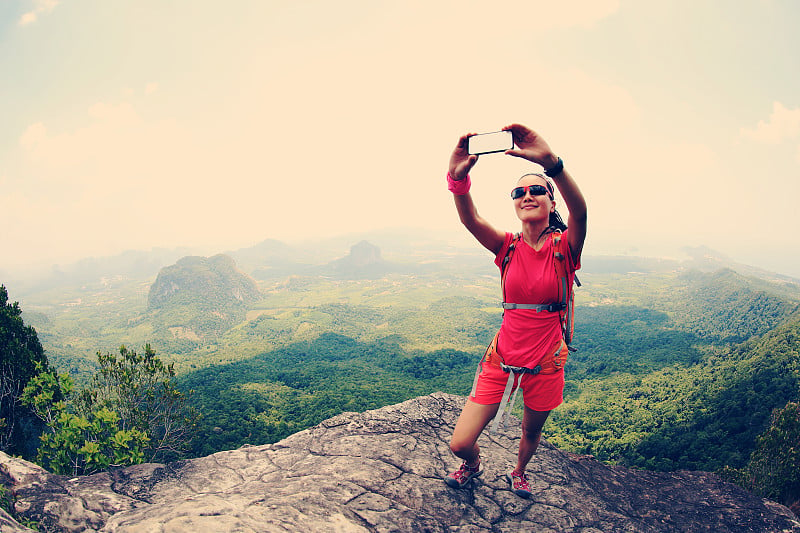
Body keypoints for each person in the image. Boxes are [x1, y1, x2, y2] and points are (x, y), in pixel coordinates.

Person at [443, 123, 587, 498]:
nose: (527, 195)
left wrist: (552, 164)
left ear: (551, 203)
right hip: (502, 358)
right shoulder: (506, 247)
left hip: (546, 363)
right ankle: (474, 464)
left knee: (531, 431)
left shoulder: (564, 248)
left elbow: (582, 213)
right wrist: (457, 180)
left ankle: (519, 471)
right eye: (519, 192)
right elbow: (470, 219)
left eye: (537, 190)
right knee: (460, 442)